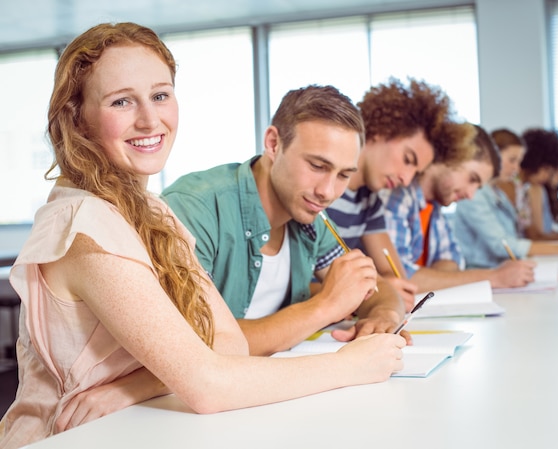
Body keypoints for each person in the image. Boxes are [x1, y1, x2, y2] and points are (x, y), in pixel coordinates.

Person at [0, 23, 405, 449]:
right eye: (122, 101)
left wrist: (151, 382)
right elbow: (208, 384)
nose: (150, 119)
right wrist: (348, 366)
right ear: (77, 118)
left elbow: (226, 345)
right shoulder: (83, 224)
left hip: (132, 428)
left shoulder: (153, 211)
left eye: (160, 95)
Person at [162, 84, 406, 357]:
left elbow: (373, 286)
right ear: (273, 144)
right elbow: (195, 341)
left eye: (343, 175)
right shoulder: (194, 207)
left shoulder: (312, 218)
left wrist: (383, 316)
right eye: (317, 166)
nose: (327, 192)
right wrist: (324, 306)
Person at [325, 77, 476, 305]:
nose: (406, 180)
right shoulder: (321, 190)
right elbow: (299, 285)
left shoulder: (369, 201)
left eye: (416, 172)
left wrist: (385, 289)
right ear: (381, 131)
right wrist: (379, 290)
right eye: (408, 159)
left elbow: (396, 276)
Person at [378, 125, 536, 309]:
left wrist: (431, 279)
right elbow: (403, 277)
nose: (470, 195)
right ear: (450, 158)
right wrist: (495, 277)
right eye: (472, 179)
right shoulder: (396, 197)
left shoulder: (435, 208)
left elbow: (453, 261)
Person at [453, 128, 558, 268]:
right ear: (492, 154)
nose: (516, 168)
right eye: (512, 160)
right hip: (480, 274)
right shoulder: (474, 196)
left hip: (501, 271)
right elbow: (501, 244)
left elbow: (515, 239)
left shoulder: (498, 194)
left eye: (519, 161)